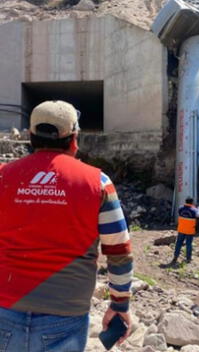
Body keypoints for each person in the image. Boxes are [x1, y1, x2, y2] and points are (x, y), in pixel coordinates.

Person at [0, 100, 133, 351]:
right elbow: (119, 251)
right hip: (66, 315)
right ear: (74, 139)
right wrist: (119, 305)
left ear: (30, 137)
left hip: (5, 308)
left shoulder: (2, 177)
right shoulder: (99, 183)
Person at [171, 197, 199, 265]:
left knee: (178, 243)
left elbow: (182, 209)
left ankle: (175, 257)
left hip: (181, 229)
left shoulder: (180, 208)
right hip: (190, 230)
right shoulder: (195, 210)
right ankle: (188, 258)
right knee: (188, 244)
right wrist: (198, 207)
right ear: (192, 202)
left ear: (185, 201)